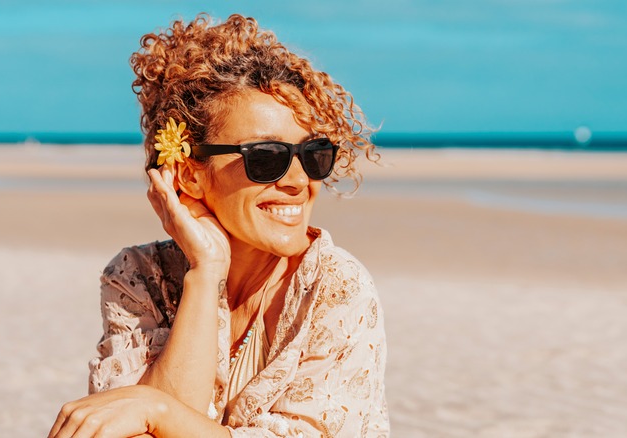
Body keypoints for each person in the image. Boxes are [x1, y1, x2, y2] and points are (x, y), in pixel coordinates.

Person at [48, 13, 388, 438]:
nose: (299, 181)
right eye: (267, 157)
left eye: (313, 155)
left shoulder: (336, 286)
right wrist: (206, 272)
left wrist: (158, 410)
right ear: (189, 174)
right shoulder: (138, 276)